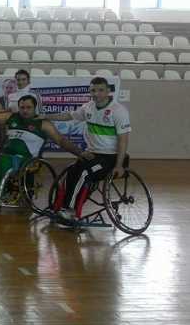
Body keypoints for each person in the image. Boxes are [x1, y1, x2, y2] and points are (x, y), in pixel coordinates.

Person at [0, 95, 84, 204]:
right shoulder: (11, 117)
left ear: (35, 108)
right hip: (7, 154)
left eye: (28, 107)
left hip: (26, 159)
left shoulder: (43, 123)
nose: (25, 110)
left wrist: (80, 153)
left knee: (3, 161)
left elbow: (61, 141)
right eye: (22, 107)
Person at [43, 77, 131, 224]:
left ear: (108, 91)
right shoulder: (88, 107)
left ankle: (70, 211)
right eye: (93, 90)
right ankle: (57, 206)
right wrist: (46, 116)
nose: (96, 94)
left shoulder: (118, 111)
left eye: (101, 90)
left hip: (111, 158)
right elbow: (68, 116)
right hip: (93, 154)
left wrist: (119, 165)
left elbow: (124, 140)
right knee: (71, 171)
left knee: (83, 173)